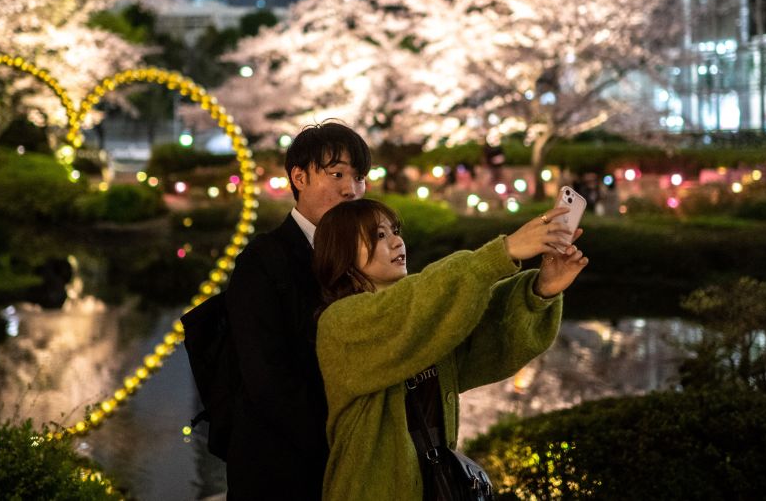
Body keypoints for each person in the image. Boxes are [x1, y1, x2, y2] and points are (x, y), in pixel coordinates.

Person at [312, 199, 587, 500]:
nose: (396, 242)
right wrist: (502, 252)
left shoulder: (427, 322)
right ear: (342, 252)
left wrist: (541, 290)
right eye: (379, 235)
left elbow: (487, 337)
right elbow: (411, 305)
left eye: (395, 231)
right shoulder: (340, 324)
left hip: (437, 485)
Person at [223, 121, 371, 500]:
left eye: (359, 177)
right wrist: (337, 438)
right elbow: (265, 377)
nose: (351, 190)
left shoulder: (371, 254)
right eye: (337, 174)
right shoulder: (262, 260)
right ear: (299, 177)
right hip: (280, 466)